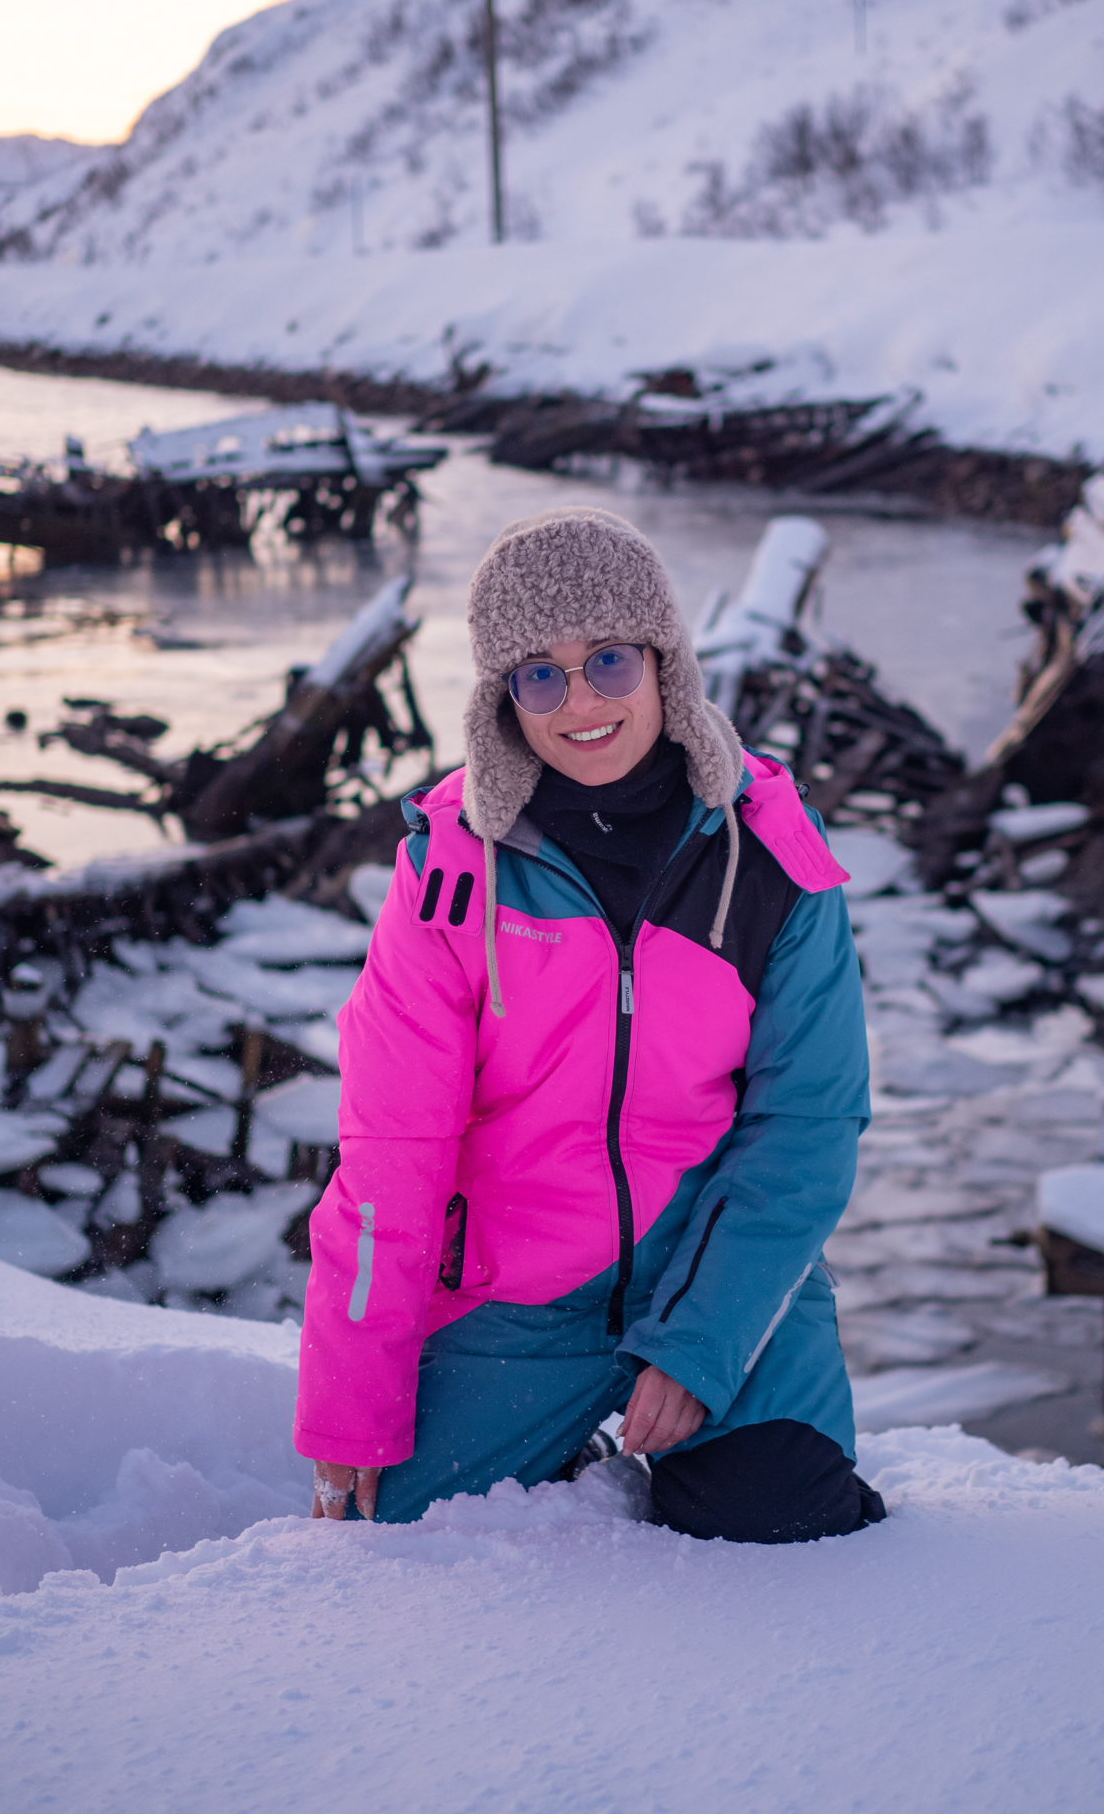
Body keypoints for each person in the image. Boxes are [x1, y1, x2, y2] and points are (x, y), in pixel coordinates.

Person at [294, 507, 882, 1542]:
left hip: (713, 1266)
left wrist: (699, 1344)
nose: (580, 702)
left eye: (609, 660)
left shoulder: (769, 854)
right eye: (540, 675)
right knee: (402, 1533)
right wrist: (354, 1397)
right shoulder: (451, 870)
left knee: (779, 1518)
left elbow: (806, 1124)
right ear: (503, 699)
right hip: (519, 1295)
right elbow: (393, 1146)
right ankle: (574, 1436)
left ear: (663, 663)